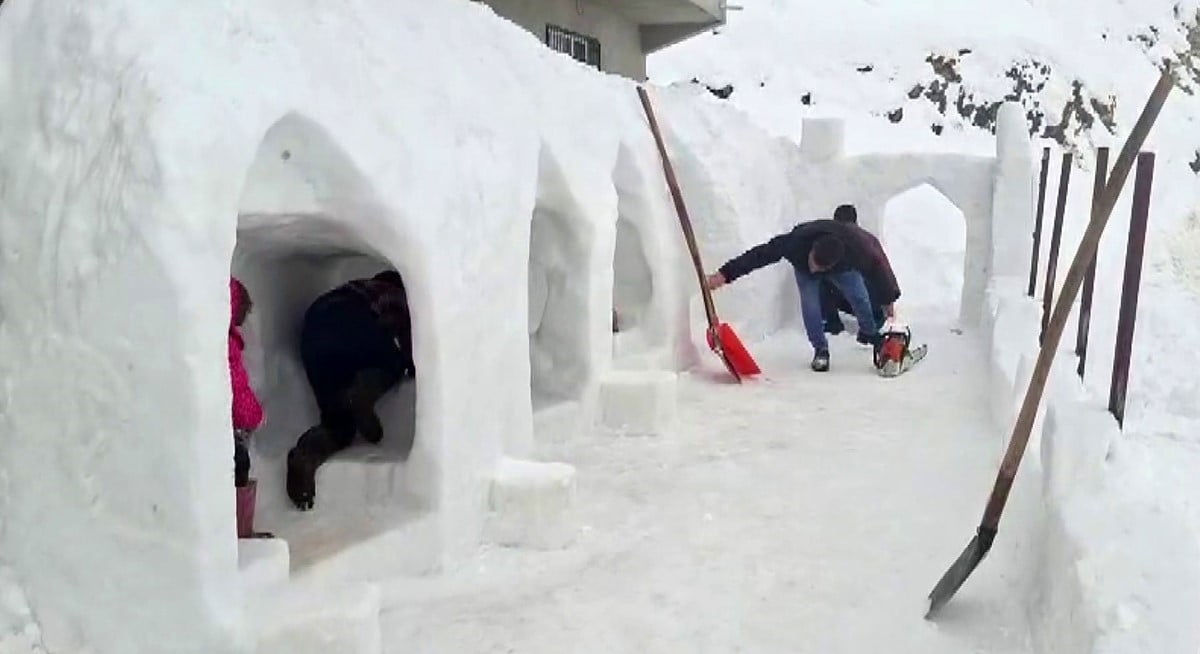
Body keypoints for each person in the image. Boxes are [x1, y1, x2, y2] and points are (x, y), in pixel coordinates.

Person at [287, 270, 416, 510]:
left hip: (313, 332)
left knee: (338, 422)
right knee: (393, 361)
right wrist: (408, 365)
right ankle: (365, 391)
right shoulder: (395, 294)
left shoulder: (353, 287)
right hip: (353, 321)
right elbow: (411, 346)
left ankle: (305, 457)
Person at [706, 217, 900, 372]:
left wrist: (888, 298)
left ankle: (870, 334)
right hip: (803, 266)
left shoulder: (857, 250)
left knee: (859, 295)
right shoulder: (795, 243)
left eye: (820, 267)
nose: (815, 269)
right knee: (810, 305)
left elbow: (878, 267)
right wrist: (725, 274)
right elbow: (759, 255)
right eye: (814, 262)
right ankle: (821, 350)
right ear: (812, 250)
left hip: (843, 268)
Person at [229, 277, 271, 538]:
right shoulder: (225, 340)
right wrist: (253, 417)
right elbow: (235, 385)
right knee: (238, 462)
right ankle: (239, 532)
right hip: (215, 425)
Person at [820, 204, 896, 336]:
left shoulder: (833, 238)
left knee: (822, 279)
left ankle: (833, 323)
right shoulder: (870, 239)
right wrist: (889, 300)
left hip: (858, 298)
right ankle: (870, 326)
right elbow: (884, 267)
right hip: (874, 303)